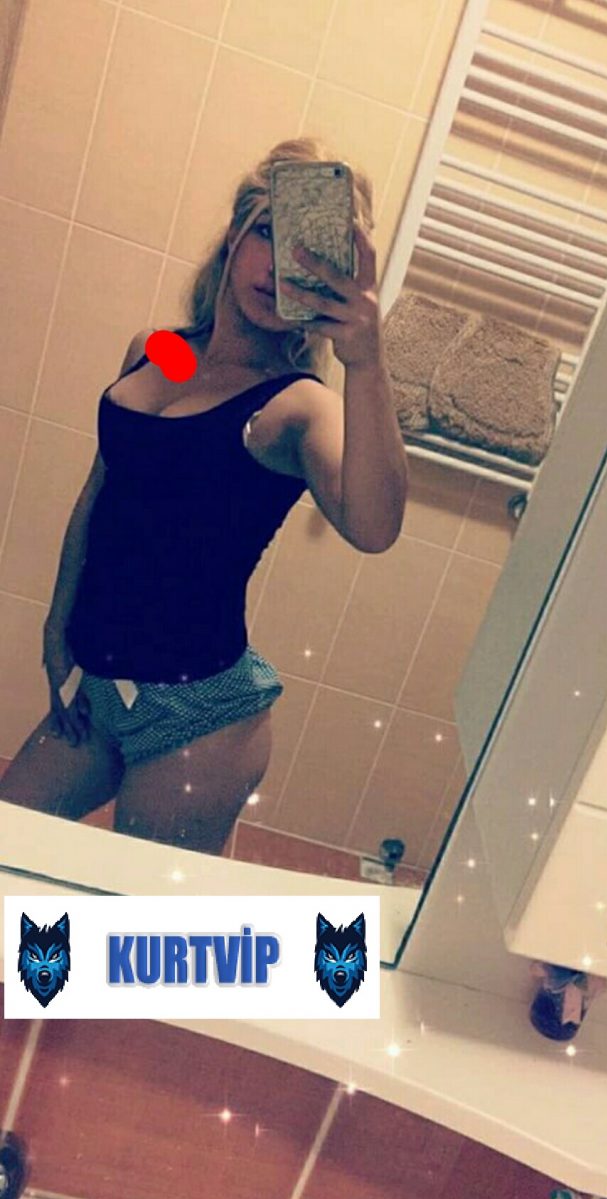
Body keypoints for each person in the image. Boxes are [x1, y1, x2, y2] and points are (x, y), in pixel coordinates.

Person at [0, 138, 408, 854]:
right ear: (234, 233)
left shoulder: (295, 405)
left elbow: (375, 527)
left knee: (140, 920)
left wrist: (366, 362)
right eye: (268, 233)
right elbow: (103, 490)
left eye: (314, 258)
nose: (279, 266)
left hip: (202, 718)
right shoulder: (159, 352)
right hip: (100, 687)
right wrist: (56, 626)